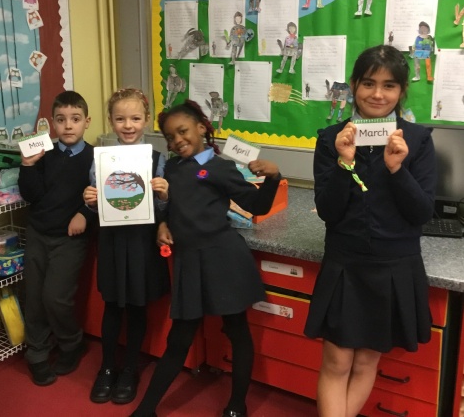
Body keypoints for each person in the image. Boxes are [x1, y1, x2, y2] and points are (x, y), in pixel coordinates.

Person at [304, 45, 436, 417]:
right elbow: (328, 212)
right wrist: (344, 163)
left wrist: (397, 169)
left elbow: (421, 213)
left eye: (389, 85)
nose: (378, 94)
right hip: (346, 264)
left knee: (365, 361)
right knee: (336, 361)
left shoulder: (417, 140)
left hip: (395, 265)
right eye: (368, 83)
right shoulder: (331, 139)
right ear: (353, 86)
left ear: (401, 90)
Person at [130, 100, 281, 417]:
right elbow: (170, 205)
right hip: (189, 262)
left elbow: (258, 206)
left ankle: (237, 406)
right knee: (179, 339)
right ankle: (146, 409)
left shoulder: (221, 168)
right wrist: (162, 224)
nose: (177, 140)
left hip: (223, 259)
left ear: (201, 128)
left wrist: (272, 176)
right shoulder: (171, 168)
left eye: (183, 131)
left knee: (237, 330)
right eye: (170, 137)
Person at [83, 88, 170, 405]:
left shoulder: (157, 160)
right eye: (120, 119)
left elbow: (161, 210)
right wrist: (90, 201)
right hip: (113, 242)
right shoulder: (101, 159)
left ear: (146, 120)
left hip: (142, 243)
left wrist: (163, 195)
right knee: (112, 305)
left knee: (136, 306)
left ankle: (130, 369)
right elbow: (99, 205)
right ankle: (107, 367)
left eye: (135, 118)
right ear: (111, 121)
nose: (128, 125)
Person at [18, 90, 96, 386]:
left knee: (56, 297)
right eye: (61, 120)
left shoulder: (95, 157)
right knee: (35, 297)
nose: (68, 125)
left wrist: (84, 214)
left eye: (75, 119)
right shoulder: (44, 154)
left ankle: (71, 342)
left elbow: (100, 196)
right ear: (52, 123)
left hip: (69, 238)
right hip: (38, 233)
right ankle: (36, 352)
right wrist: (27, 165)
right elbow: (31, 194)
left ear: (87, 121)